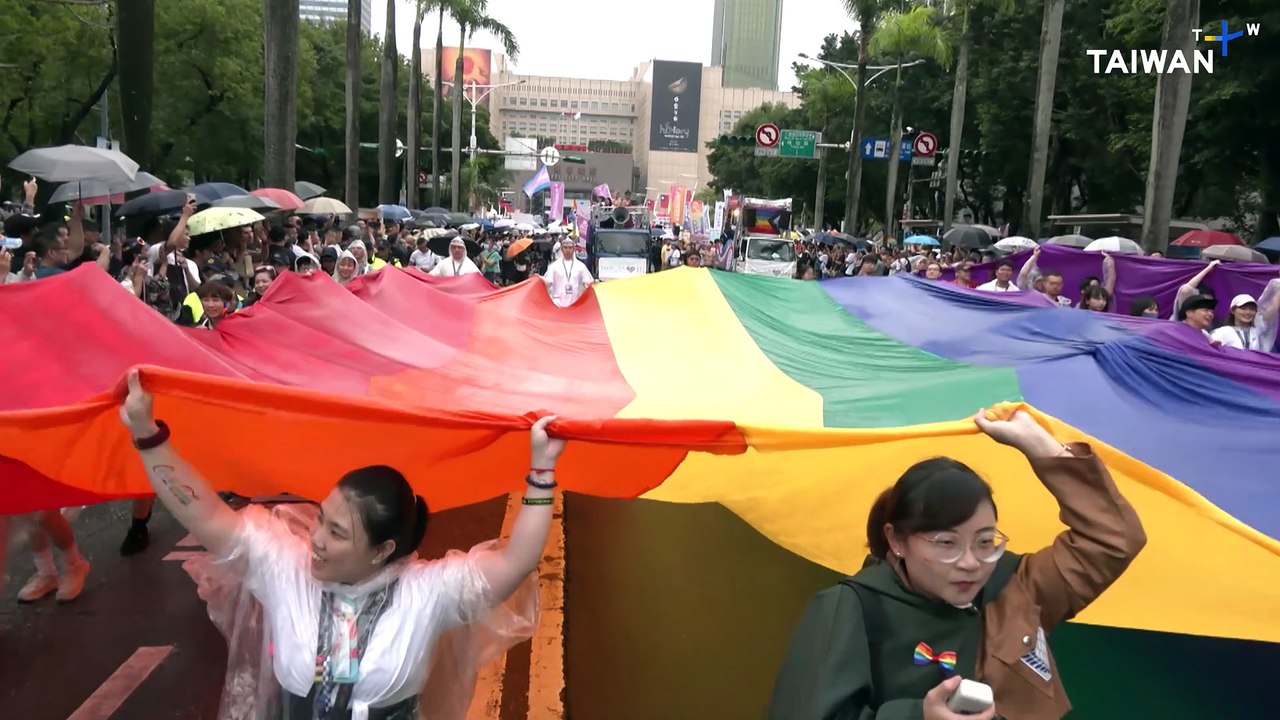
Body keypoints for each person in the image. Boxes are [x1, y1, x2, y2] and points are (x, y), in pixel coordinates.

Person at [117, 369, 564, 719]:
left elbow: (518, 560)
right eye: (321, 520)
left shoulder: (430, 593)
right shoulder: (283, 566)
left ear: (382, 550)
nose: (315, 539)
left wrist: (541, 470)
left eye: (336, 533)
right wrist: (146, 434)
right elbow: (205, 513)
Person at [767, 406, 1146, 720]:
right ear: (897, 539)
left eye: (985, 542)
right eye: (946, 543)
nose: (970, 563)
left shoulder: (1016, 586)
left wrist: (1040, 446)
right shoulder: (852, 608)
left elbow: (1114, 539)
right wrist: (919, 717)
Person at [542, 237, 594, 307]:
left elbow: (588, 283)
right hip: (557, 304)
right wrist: (537, 280)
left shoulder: (580, 266)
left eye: (570, 248)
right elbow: (546, 283)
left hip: (575, 304)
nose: (568, 250)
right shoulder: (554, 266)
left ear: (573, 249)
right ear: (562, 249)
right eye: (565, 247)